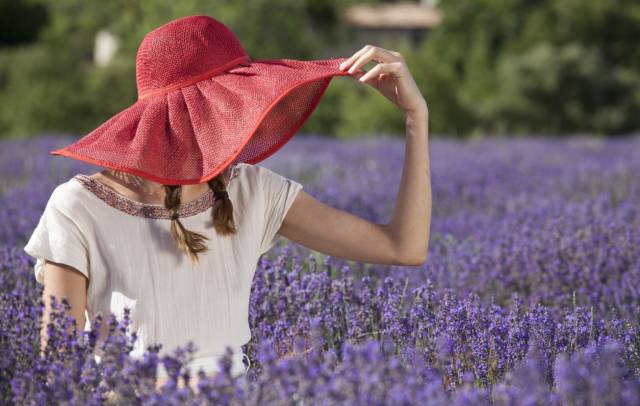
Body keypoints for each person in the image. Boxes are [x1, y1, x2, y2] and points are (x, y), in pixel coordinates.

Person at [23, 15, 431, 393]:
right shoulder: (78, 207)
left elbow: (404, 247)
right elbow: (59, 367)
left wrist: (416, 117)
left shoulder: (252, 191)